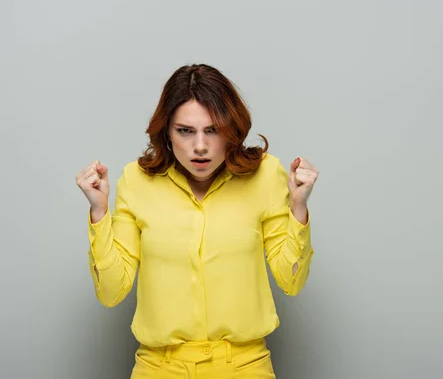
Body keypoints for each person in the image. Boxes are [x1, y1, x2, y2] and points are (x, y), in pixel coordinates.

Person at [75, 64, 319, 378]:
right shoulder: (135, 181)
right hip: (158, 368)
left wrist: (298, 209)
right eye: (185, 130)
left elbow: (292, 281)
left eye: (213, 129)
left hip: (244, 367)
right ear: (166, 132)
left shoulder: (266, 176)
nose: (200, 146)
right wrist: (99, 213)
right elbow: (111, 293)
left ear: (232, 130)